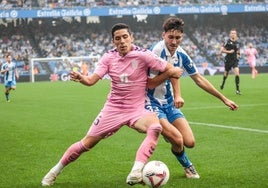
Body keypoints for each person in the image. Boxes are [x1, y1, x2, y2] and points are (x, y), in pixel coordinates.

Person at [41, 23, 183, 186]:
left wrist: (170, 77)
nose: (122, 41)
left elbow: (171, 69)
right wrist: (82, 78)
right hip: (113, 109)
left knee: (155, 127)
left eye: (125, 37)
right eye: (118, 38)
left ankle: (136, 172)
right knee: (86, 143)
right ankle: (54, 171)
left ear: (131, 38)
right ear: (113, 41)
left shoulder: (144, 55)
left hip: (137, 109)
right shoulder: (108, 58)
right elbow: (91, 80)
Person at [146, 17, 239, 179]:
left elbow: (199, 79)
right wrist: (170, 74)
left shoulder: (182, 54)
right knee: (178, 139)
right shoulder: (155, 52)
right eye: (171, 37)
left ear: (182, 37)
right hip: (151, 102)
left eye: (178, 38)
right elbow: (149, 84)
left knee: (189, 142)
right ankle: (188, 166)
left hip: (168, 103)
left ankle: (169, 134)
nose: (174, 41)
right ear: (163, 35)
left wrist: (224, 99)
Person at [220, 28, 241, 95]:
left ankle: (237, 90)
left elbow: (238, 50)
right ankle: (223, 83)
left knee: (237, 73)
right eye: (232, 33)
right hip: (228, 60)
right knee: (226, 73)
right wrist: (229, 51)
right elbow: (222, 50)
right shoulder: (228, 42)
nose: (233, 34)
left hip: (235, 60)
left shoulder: (237, 42)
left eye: (234, 33)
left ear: (236, 34)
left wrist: (238, 54)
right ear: (230, 34)